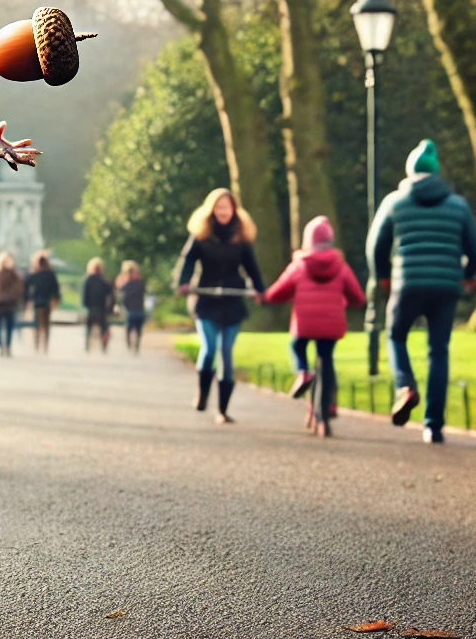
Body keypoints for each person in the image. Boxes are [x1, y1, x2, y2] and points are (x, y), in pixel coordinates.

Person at [367, 139, 476, 443]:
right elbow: (473, 246)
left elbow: (375, 247)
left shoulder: (395, 202)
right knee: (438, 352)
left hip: (408, 283)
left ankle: (405, 386)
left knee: (395, 335)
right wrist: (468, 276)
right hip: (446, 286)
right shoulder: (458, 205)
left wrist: (384, 278)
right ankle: (434, 426)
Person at [263, 216, 365, 438]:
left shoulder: (299, 264)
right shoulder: (340, 265)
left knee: (297, 346)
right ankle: (325, 411)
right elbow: (357, 295)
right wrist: (356, 303)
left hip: (305, 324)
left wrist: (266, 296)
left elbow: (279, 291)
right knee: (326, 361)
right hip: (331, 325)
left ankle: (302, 372)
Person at [176, 188, 265, 424]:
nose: (223, 211)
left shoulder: (241, 237)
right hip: (205, 300)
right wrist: (183, 283)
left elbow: (251, 266)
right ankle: (203, 393)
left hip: (232, 301)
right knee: (209, 349)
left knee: (226, 353)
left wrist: (259, 288)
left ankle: (223, 410)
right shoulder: (201, 235)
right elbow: (188, 260)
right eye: (219, 207)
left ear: (234, 210)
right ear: (212, 209)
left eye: (227, 207)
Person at [0, 252, 25, 356]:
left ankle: (1, 347)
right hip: (10, 304)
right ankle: (7, 347)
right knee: (8, 327)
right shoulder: (15, 275)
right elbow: (20, 290)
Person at [25, 250, 61, 353]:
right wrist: (56, 299)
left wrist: (28, 298)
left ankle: (36, 345)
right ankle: (45, 345)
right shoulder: (50, 274)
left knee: (37, 324)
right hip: (47, 302)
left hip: (37, 302)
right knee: (46, 324)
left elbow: (26, 285)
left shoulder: (34, 274)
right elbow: (55, 288)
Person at [81, 258, 114, 352]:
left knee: (89, 327)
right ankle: (104, 345)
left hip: (91, 308)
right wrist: (109, 309)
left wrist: (86, 305)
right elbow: (110, 296)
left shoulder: (87, 279)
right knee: (104, 327)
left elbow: (85, 295)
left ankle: (87, 346)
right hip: (102, 309)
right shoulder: (105, 280)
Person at [116, 260, 146, 353]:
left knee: (132, 327)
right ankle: (133, 344)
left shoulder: (127, 284)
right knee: (135, 327)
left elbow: (120, 294)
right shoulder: (139, 283)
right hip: (134, 310)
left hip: (134, 310)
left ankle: (132, 344)